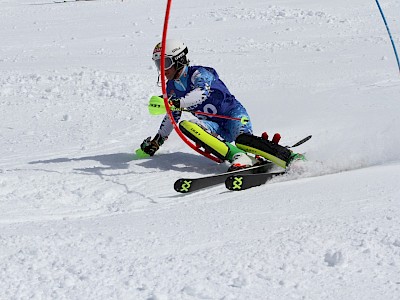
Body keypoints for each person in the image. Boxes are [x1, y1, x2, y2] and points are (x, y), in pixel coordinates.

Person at [139, 39, 299, 171]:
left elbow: (202, 93)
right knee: (187, 125)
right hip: (213, 126)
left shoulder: (199, 73)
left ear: (179, 59)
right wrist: (156, 142)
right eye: (158, 64)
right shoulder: (172, 87)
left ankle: (290, 157)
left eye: (165, 63)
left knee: (243, 140)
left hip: (233, 117)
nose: (162, 69)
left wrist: (176, 102)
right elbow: (172, 115)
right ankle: (238, 156)